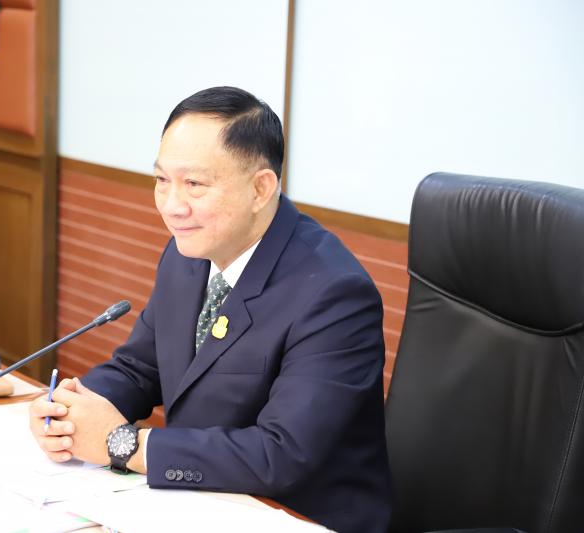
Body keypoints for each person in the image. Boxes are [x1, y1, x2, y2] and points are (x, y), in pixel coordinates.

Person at [29, 86, 393, 532]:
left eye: (195, 185)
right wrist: (72, 412)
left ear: (260, 189)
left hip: (295, 517)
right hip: (202, 503)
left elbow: (282, 454)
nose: (172, 206)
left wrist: (123, 443)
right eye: (162, 180)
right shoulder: (189, 251)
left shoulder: (335, 294)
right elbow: (140, 369)